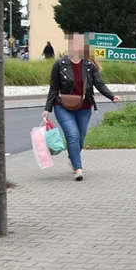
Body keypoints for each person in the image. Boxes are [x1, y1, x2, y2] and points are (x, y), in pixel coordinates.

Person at [43, 33, 120, 181]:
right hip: (62, 105)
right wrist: (47, 109)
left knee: (81, 137)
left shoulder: (89, 65)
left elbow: (99, 84)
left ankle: (73, 157)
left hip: (84, 106)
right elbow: (53, 87)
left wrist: (111, 96)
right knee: (73, 135)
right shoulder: (60, 64)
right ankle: (78, 168)